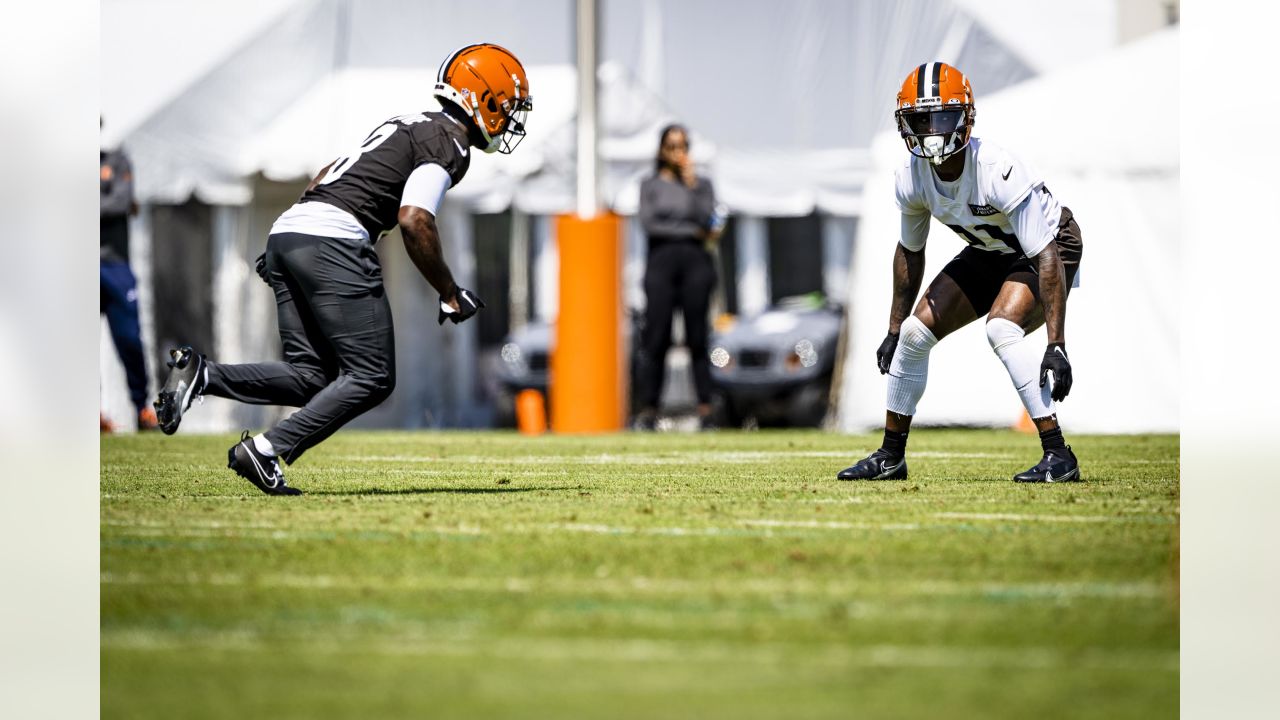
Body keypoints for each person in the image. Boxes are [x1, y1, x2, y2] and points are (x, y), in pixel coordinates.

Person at [154, 43, 533, 495]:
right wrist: (450, 291)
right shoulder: (449, 143)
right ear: (483, 100)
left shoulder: (410, 124)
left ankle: (204, 375)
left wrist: (293, 238)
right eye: (507, 107)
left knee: (310, 377)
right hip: (331, 237)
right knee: (372, 376)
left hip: (291, 230)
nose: (510, 119)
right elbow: (415, 218)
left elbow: (329, 172)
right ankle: (267, 449)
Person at [837, 62, 1083, 483]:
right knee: (914, 336)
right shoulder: (911, 177)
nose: (932, 133)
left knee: (1001, 329)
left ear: (967, 118)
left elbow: (1043, 256)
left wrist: (1056, 343)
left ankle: (1059, 455)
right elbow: (910, 253)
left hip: (1050, 244)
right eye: (921, 120)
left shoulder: (996, 169)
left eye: (942, 118)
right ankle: (891, 456)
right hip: (991, 249)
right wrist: (895, 328)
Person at [633, 124, 723, 431]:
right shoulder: (650, 185)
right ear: (661, 150)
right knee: (656, 335)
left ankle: (706, 406)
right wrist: (688, 229)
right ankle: (649, 407)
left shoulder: (701, 185)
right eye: (672, 146)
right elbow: (649, 224)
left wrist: (692, 184)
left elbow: (708, 221)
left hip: (696, 261)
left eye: (682, 145)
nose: (677, 152)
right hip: (661, 261)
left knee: (698, 336)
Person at [101, 127, 160, 432]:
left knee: (129, 339)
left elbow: (121, 202)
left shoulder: (116, 159)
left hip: (115, 265)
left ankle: (142, 408)